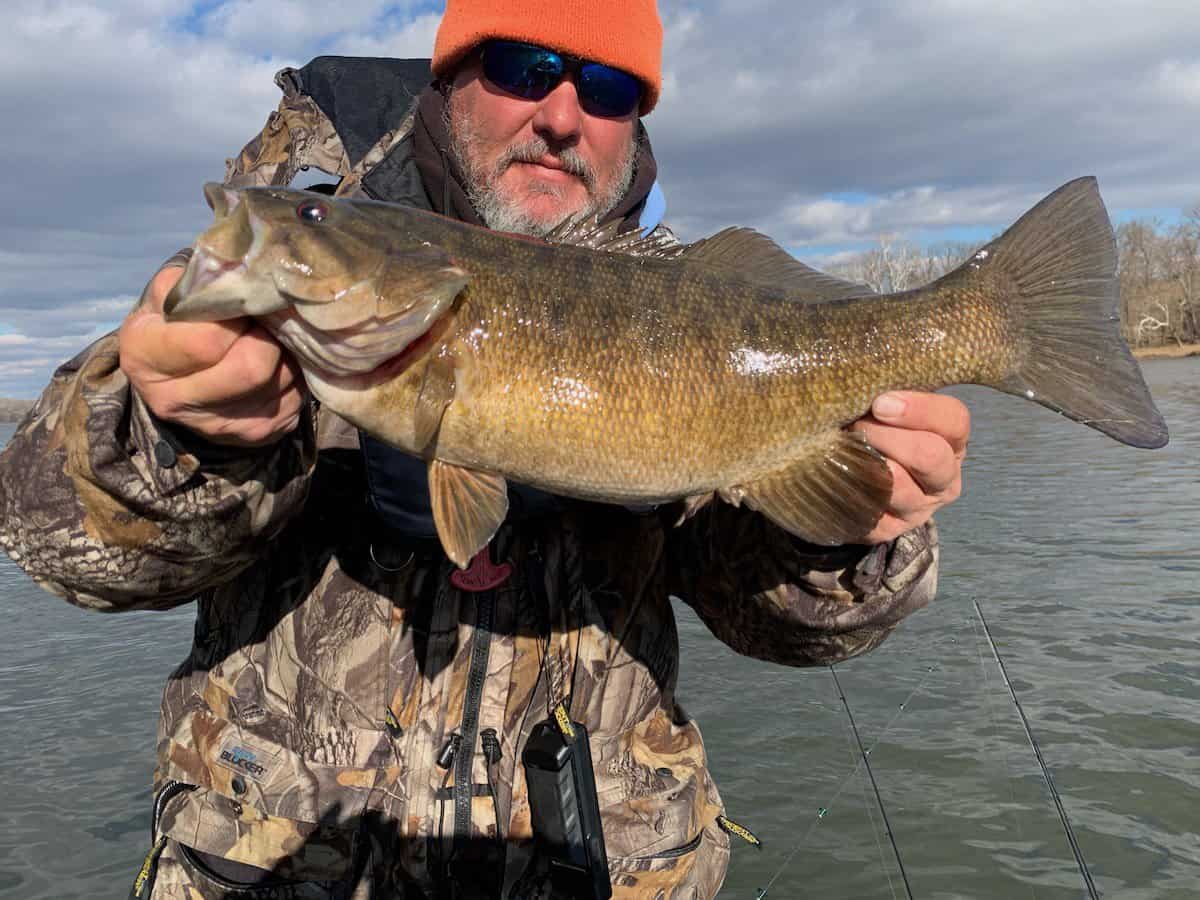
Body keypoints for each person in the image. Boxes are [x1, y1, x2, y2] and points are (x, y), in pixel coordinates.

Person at [0, 1, 969, 897]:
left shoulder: (688, 297)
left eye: (607, 89)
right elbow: (64, 549)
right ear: (448, 80)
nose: (561, 114)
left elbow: (785, 626)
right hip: (274, 865)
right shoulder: (281, 310)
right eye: (522, 65)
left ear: (635, 126)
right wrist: (177, 431)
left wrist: (854, 534)